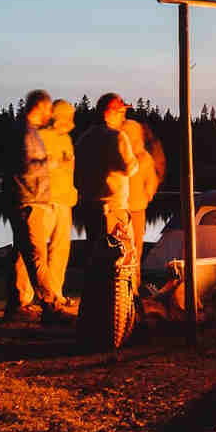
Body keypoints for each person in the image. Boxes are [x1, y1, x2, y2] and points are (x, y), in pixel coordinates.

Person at [75, 94, 142, 347]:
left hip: (89, 207)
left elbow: (76, 178)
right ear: (111, 112)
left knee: (95, 268)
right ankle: (117, 327)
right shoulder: (117, 137)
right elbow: (128, 168)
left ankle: (92, 325)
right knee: (118, 268)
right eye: (122, 112)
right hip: (113, 209)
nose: (124, 116)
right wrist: (135, 158)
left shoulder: (83, 139)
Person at [7, 90, 71, 322]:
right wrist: (50, 161)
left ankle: (16, 306)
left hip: (27, 200)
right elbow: (25, 164)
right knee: (36, 256)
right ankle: (52, 307)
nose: (49, 114)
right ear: (40, 107)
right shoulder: (25, 132)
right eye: (47, 109)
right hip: (29, 201)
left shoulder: (25, 130)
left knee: (24, 255)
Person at [121, 114, 167, 291]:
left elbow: (151, 182)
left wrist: (146, 195)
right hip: (120, 210)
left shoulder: (145, 158)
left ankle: (133, 286)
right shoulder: (120, 155)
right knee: (122, 251)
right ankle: (122, 287)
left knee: (136, 250)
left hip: (136, 209)